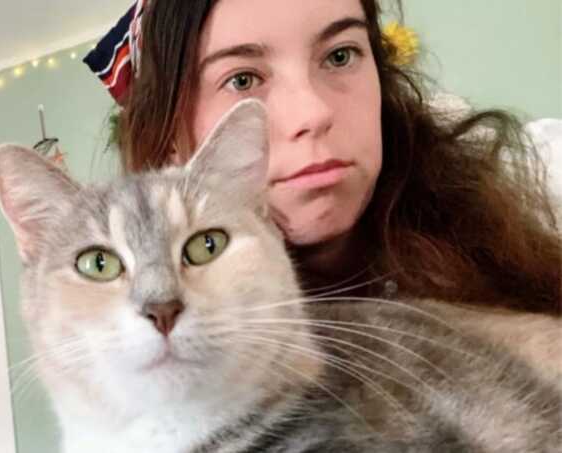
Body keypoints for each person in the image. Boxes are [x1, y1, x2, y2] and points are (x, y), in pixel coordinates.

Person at [86, 0, 561, 315]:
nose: (313, 113)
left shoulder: (534, 186)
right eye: (244, 80)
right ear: (172, 136)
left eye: (339, 56)